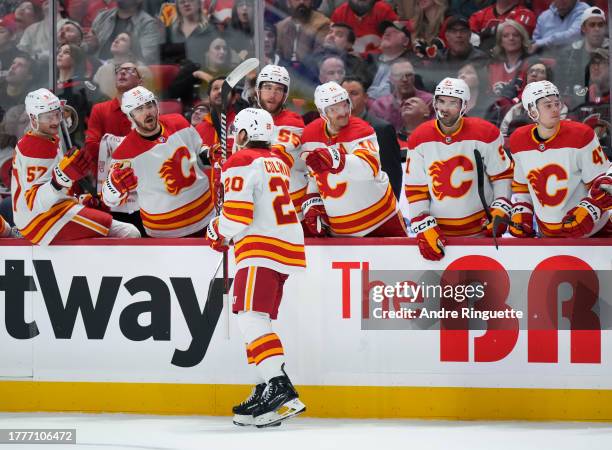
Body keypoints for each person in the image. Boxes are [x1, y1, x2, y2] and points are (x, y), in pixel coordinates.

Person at [205, 107, 306, 427]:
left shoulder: (241, 160)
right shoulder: (275, 160)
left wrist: (217, 230)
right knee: (256, 319)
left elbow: (237, 216)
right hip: (283, 247)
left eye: (238, 133)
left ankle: (279, 387)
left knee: (249, 317)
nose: (234, 138)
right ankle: (265, 386)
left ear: (245, 135)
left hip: (260, 248)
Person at [12, 88, 140, 244]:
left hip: (50, 212)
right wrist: (59, 180)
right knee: (129, 232)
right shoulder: (35, 148)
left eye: (56, 114)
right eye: (47, 117)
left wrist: (77, 199)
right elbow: (35, 203)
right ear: (33, 118)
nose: (55, 121)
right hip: (41, 221)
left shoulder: (45, 139)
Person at [404, 78, 513, 260]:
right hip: (440, 234)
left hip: (482, 231)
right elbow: (416, 187)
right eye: (441, 101)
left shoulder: (486, 133)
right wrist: (423, 223)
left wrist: (501, 206)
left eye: (452, 102)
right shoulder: (419, 137)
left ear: (464, 106)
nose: (444, 108)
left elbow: (502, 174)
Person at [102, 86, 214, 237]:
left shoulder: (178, 122)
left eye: (150, 105)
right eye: (139, 109)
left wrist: (208, 155)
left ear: (156, 106)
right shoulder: (124, 154)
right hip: (165, 234)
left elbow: (199, 152)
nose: (147, 112)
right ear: (131, 116)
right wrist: (114, 187)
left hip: (207, 219)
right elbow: (109, 199)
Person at [300, 81, 408, 237]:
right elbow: (314, 174)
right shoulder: (309, 134)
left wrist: (336, 159)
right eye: (334, 109)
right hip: (340, 229)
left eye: (345, 105)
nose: (343, 112)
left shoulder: (362, 129)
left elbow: (369, 167)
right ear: (322, 112)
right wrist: (312, 199)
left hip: (382, 220)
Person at [508, 80, 611, 238]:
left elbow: (605, 184)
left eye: (557, 103)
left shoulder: (581, 135)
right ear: (532, 111)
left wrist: (590, 210)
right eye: (548, 106)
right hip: (547, 236)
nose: (555, 109)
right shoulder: (518, 140)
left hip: (593, 232)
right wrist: (522, 213)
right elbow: (522, 187)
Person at [254, 65, 308, 221]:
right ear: (258, 90)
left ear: (285, 94)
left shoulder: (293, 122)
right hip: (259, 204)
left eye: (279, 89)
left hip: (291, 204)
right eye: (268, 87)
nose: (272, 94)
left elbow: (275, 156)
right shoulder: (245, 118)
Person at [342, 76, 403, 199]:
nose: (347, 99)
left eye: (354, 94)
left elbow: (392, 174)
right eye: (343, 95)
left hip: (375, 203)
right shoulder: (332, 129)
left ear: (365, 98)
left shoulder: (381, 129)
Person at [88, 0, 162, 64]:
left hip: (128, 74)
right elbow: (85, 50)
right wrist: (90, 46)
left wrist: (109, 64)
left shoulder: (148, 25)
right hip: (97, 71)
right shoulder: (102, 17)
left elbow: (146, 59)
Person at [370, 59, 433, 131]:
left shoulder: (430, 101)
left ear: (414, 77)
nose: (405, 79)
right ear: (391, 79)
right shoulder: (380, 105)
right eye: (399, 75)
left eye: (409, 75)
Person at [330, 0, 398, 54]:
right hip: (349, 64)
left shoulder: (384, 10)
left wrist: (364, 55)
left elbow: (395, 43)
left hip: (380, 61)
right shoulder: (339, 13)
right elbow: (332, 46)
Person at [275, 0, 330, 66]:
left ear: (311, 2)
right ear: (288, 2)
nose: (301, 2)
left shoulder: (323, 24)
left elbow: (319, 57)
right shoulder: (280, 26)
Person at [469, 0, 536, 53]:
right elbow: (468, 35)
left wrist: (486, 32)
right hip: (482, 59)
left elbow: (513, 31)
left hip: (511, 58)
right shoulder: (480, 14)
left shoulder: (526, 14)